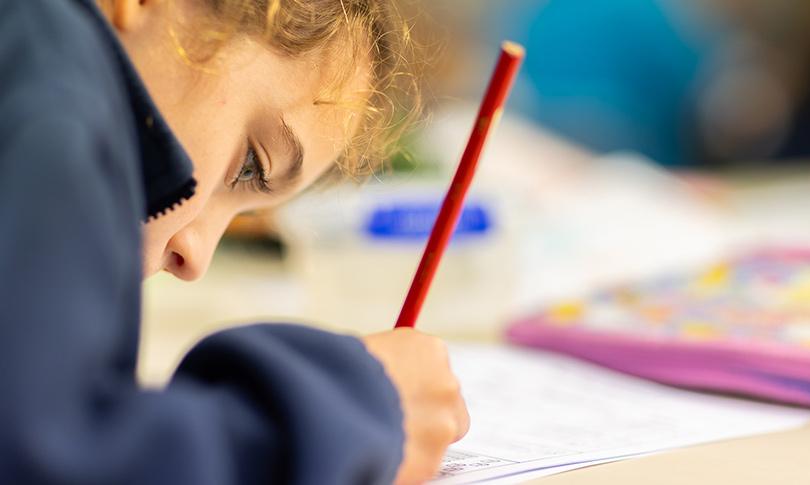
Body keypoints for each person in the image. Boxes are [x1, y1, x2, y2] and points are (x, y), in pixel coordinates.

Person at [0, 1, 469, 484]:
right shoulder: (46, 85)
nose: (196, 260)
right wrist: (351, 414)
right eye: (251, 165)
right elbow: (49, 458)